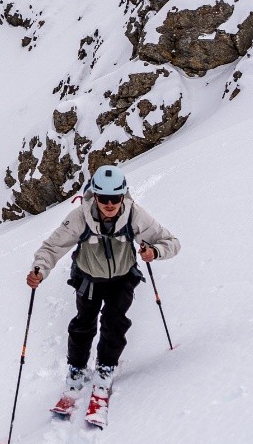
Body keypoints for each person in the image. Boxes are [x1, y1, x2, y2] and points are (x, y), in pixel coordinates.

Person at [25, 164, 179, 422]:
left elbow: (171, 242)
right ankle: (77, 370)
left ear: (124, 196)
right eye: (104, 198)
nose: (110, 204)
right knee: (83, 325)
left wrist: (154, 252)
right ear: (94, 196)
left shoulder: (134, 215)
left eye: (115, 198)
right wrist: (39, 269)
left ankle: (105, 368)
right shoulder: (79, 217)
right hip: (88, 279)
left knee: (114, 324)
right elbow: (52, 247)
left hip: (122, 279)